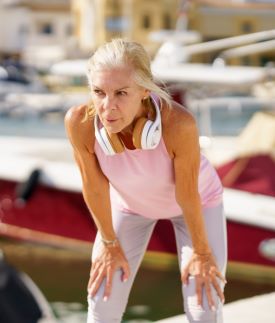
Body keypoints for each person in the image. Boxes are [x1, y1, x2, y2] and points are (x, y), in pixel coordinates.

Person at [65, 38, 227, 323]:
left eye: (121, 93)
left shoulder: (178, 124)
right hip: (130, 207)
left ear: (143, 90)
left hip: (196, 204)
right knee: (102, 300)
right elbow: (93, 186)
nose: (108, 106)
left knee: (204, 307)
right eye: (99, 92)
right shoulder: (80, 123)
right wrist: (109, 243)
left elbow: (187, 195)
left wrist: (202, 252)